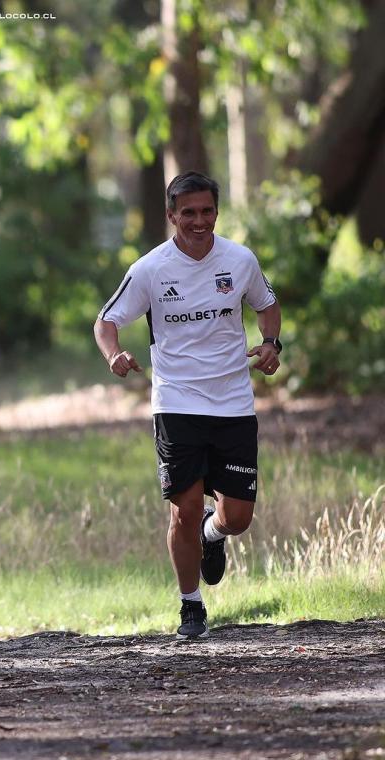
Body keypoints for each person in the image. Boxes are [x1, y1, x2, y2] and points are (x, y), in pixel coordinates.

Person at [93, 171, 281, 640]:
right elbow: (106, 320)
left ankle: (211, 534)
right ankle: (190, 604)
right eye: (189, 213)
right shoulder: (151, 269)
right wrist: (114, 354)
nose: (199, 221)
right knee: (183, 506)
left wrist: (272, 342)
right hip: (176, 401)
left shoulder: (239, 260)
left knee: (237, 518)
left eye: (207, 211)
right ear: (172, 215)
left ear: (216, 212)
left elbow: (266, 304)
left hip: (233, 400)